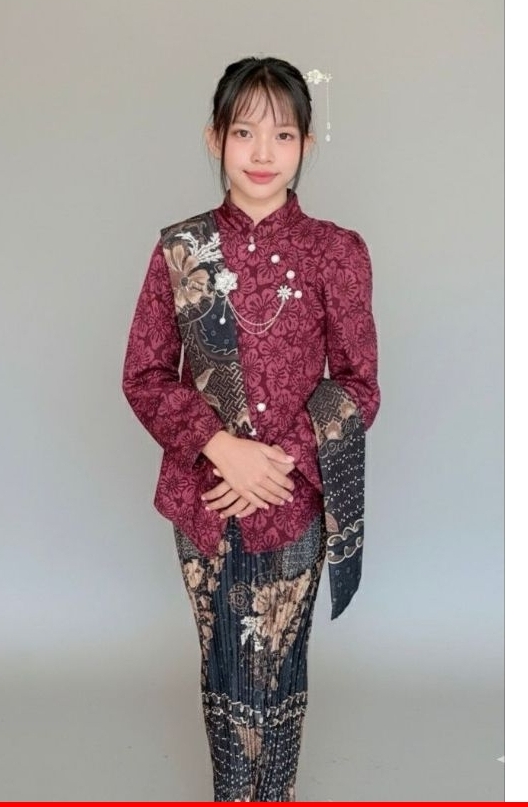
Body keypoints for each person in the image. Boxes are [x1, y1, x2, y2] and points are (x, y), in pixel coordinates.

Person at [122, 56, 380, 802]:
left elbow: (359, 383)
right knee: (225, 669)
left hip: (294, 499)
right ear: (215, 138)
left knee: (281, 667)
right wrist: (221, 448)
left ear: (305, 145)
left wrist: (279, 462)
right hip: (205, 502)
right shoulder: (181, 250)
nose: (263, 153)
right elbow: (144, 375)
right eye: (244, 133)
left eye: (283, 135)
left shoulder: (336, 251)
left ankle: (274, 796)